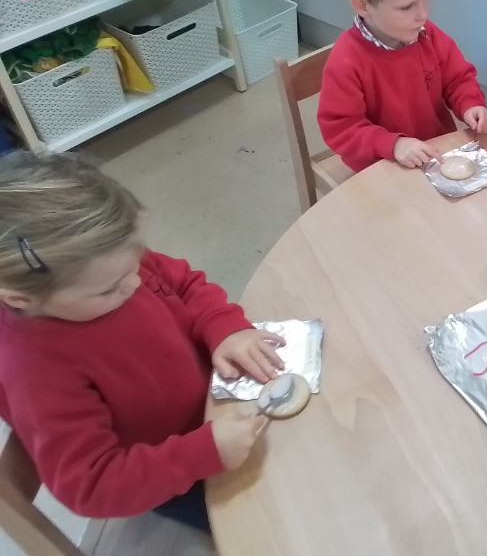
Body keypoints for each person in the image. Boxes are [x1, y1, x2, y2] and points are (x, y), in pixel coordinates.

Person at [0, 152, 284, 530]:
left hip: (220, 403)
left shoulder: (107, 262)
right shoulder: (36, 372)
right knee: (281, 523)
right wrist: (202, 453)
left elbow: (185, 283)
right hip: (179, 472)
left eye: (134, 268)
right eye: (111, 289)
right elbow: (91, 484)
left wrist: (225, 327)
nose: (135, 285)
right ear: (21, 299)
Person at [318, 0, 487, 172]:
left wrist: (470, 104)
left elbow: (457, 78)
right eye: (407, 6)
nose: (423, 14)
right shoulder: (347, 60)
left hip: (435, 151)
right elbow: (341, 128)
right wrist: (393, 144)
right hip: (382, 166)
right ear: (363, 6)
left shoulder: (426, 34)